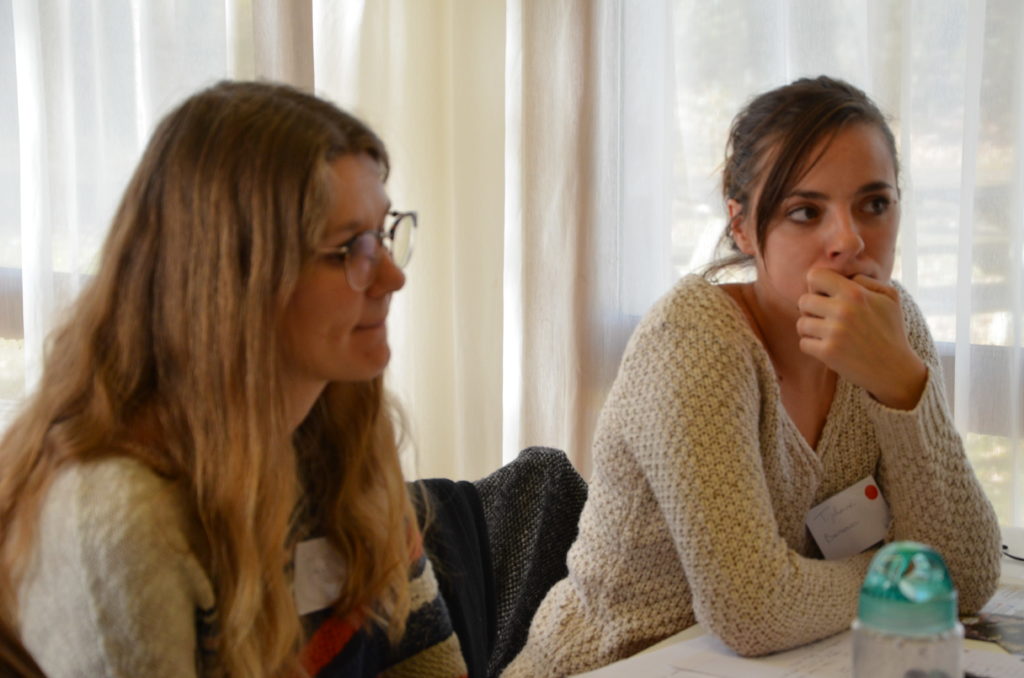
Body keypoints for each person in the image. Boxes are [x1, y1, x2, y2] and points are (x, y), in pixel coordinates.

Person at [501, 75, 1002, 677]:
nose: (848, 239)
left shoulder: (892, 327)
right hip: (609, 665)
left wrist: (901, 382)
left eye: (874, 203)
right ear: (741, 227)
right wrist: (898, 574)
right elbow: (754, 610)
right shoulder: (694, 339)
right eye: (804, 211)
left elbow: (966, 577)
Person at [0, 81, 470, 677]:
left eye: (384, 232)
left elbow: (431, 667)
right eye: (352, 247)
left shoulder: (344, 431)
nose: (392, 279)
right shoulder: (117, 515)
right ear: (238, 281)